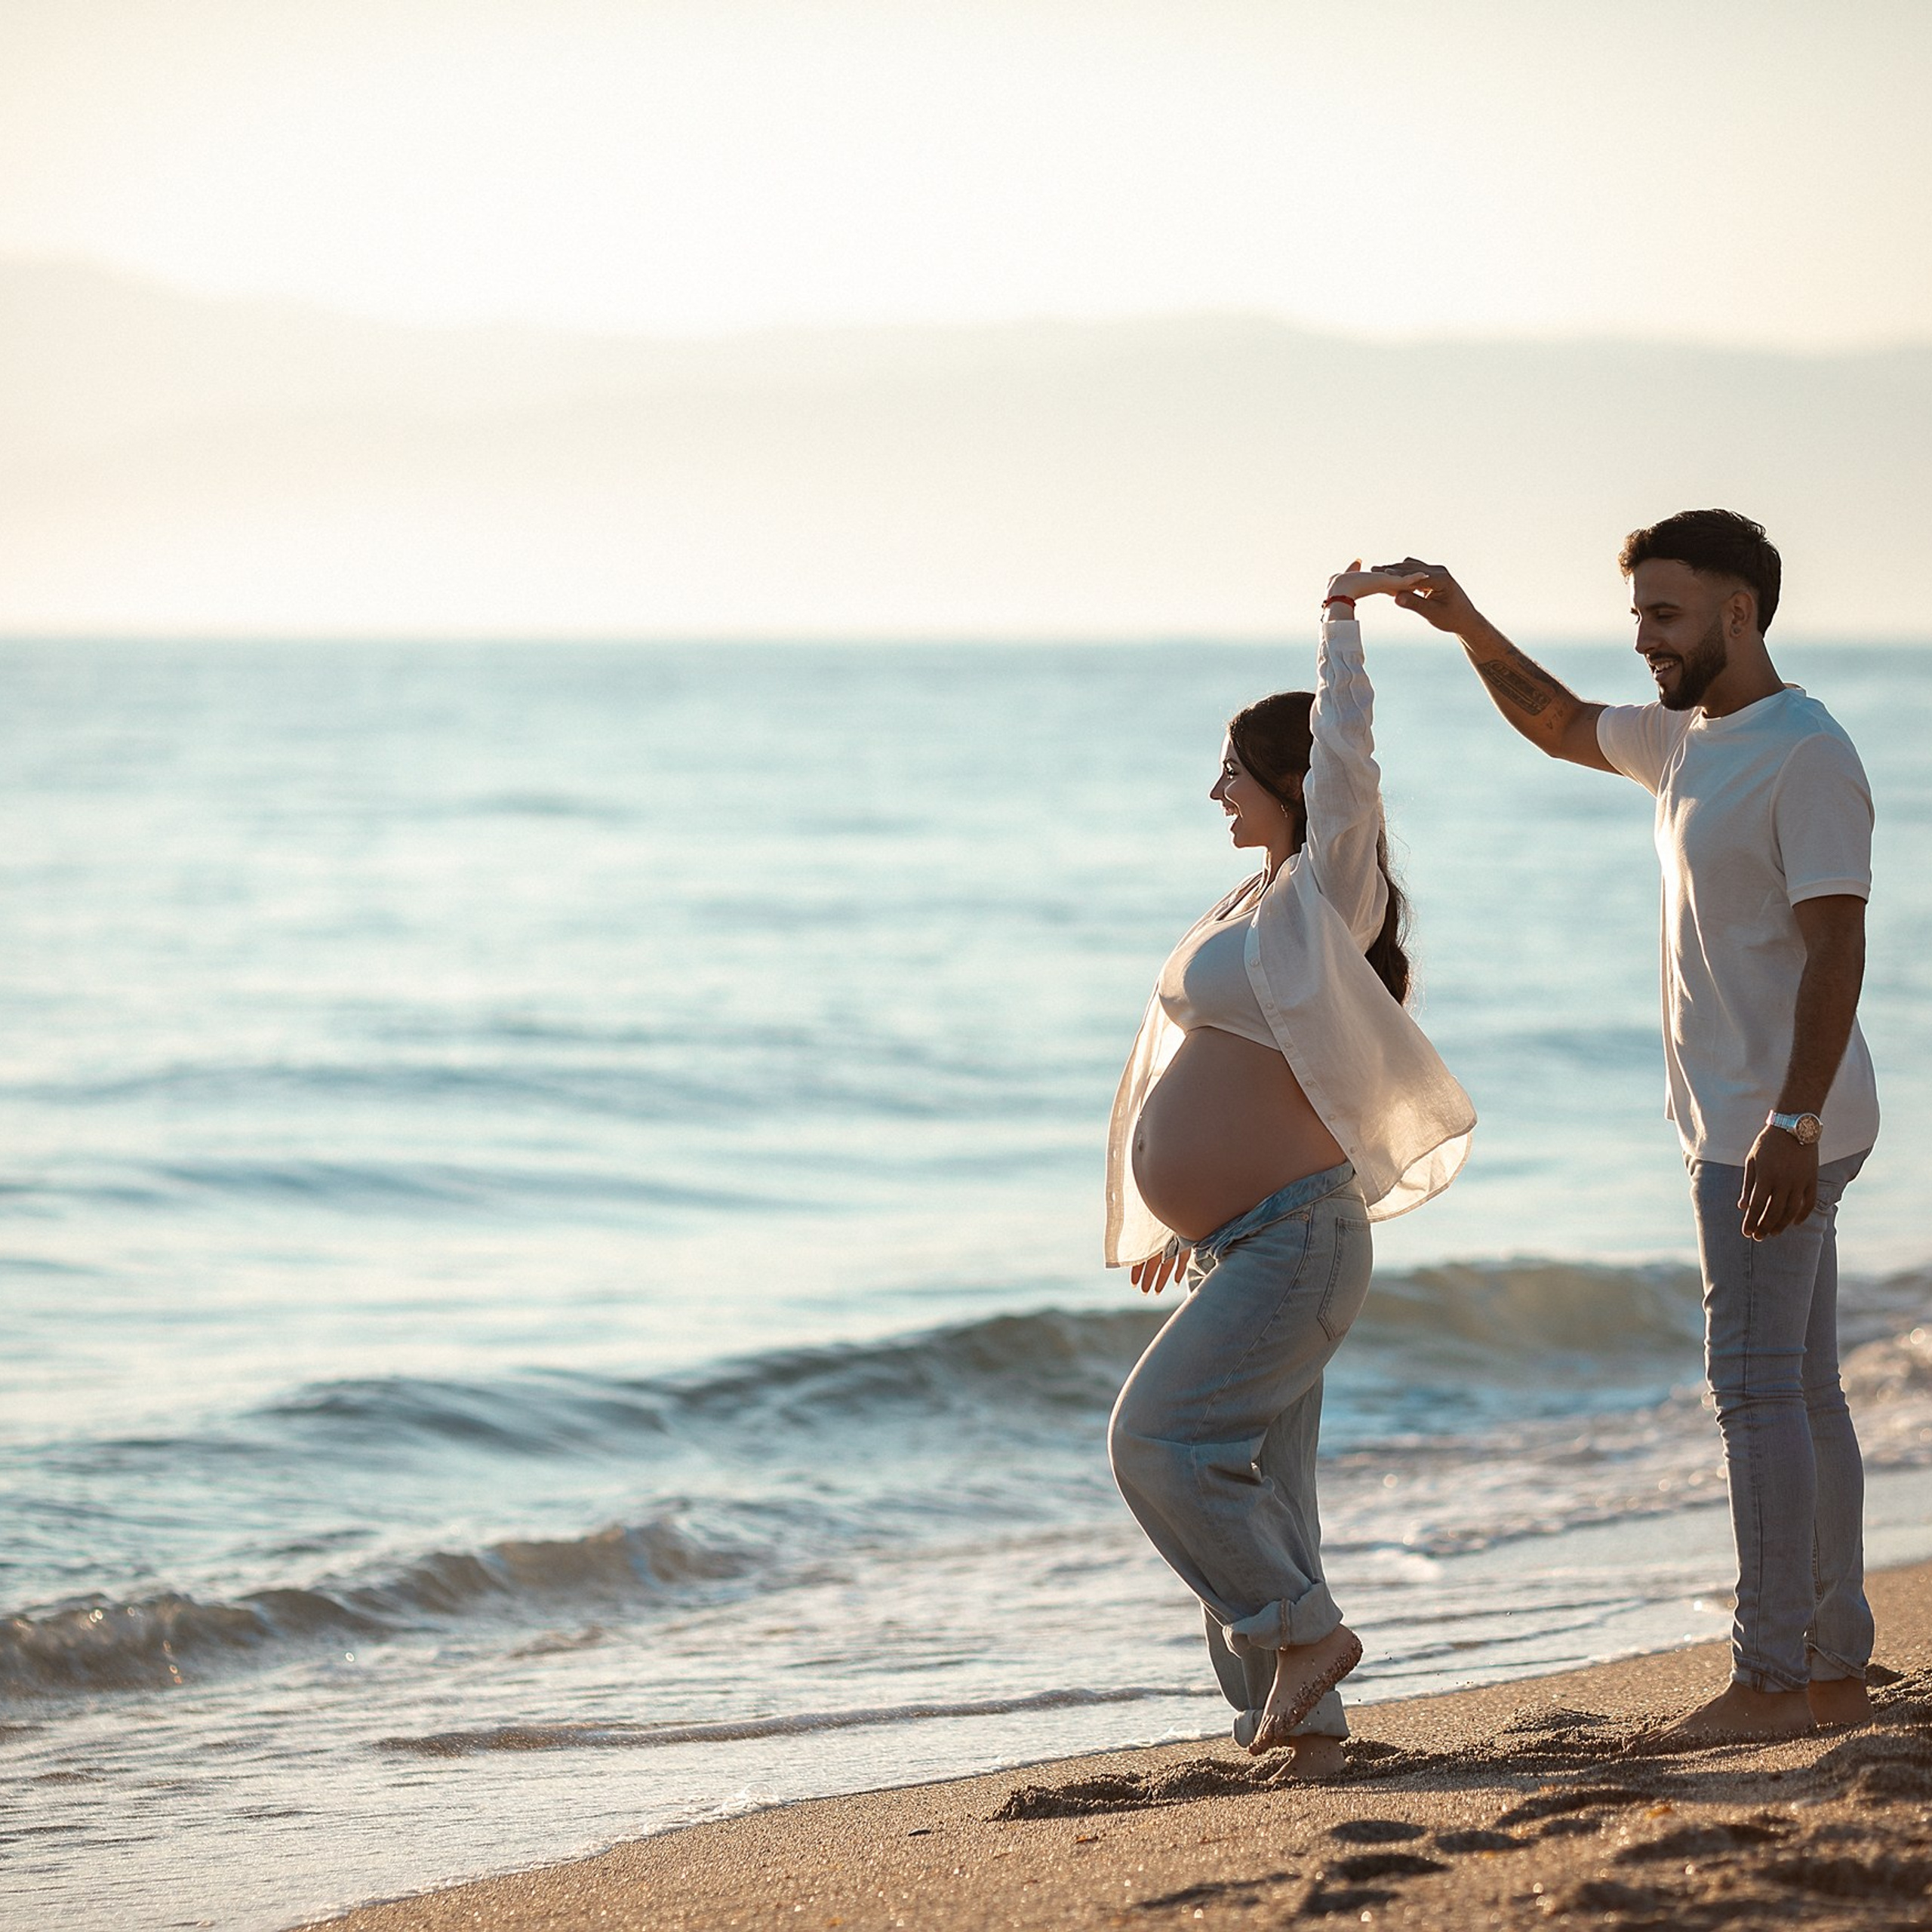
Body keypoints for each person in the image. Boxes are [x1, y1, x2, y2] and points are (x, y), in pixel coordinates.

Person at [1383, 509, 1878, 1743]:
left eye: (1666, 614)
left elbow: (1839, 948)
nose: (1646, 639)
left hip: (1773, 1124)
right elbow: (1556, 724)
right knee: (1805, 1391)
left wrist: (1794, 1122)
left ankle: (1770, 1682)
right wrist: (1461, 621)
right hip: (1767, 1116)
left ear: (1740, 614)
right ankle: (1831, 1665)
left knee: (1756, 1394)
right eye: (1638, 616)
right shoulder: (1687, 741)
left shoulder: (1806, 752)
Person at [1105, 565, 1476, 1775]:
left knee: (1156, 1445)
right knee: (1258, 1482)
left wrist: (1340, 624)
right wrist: (1189, 1205)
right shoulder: (1249, 899)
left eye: (1230, 767)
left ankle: (1303, 1635)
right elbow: (1242, 1064)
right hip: (1248, 1237)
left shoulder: (1325, 892)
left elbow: (1350, 759)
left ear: (1284, 780)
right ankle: (1298, 1737)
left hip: (1301, 1236)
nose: (1213, 786)